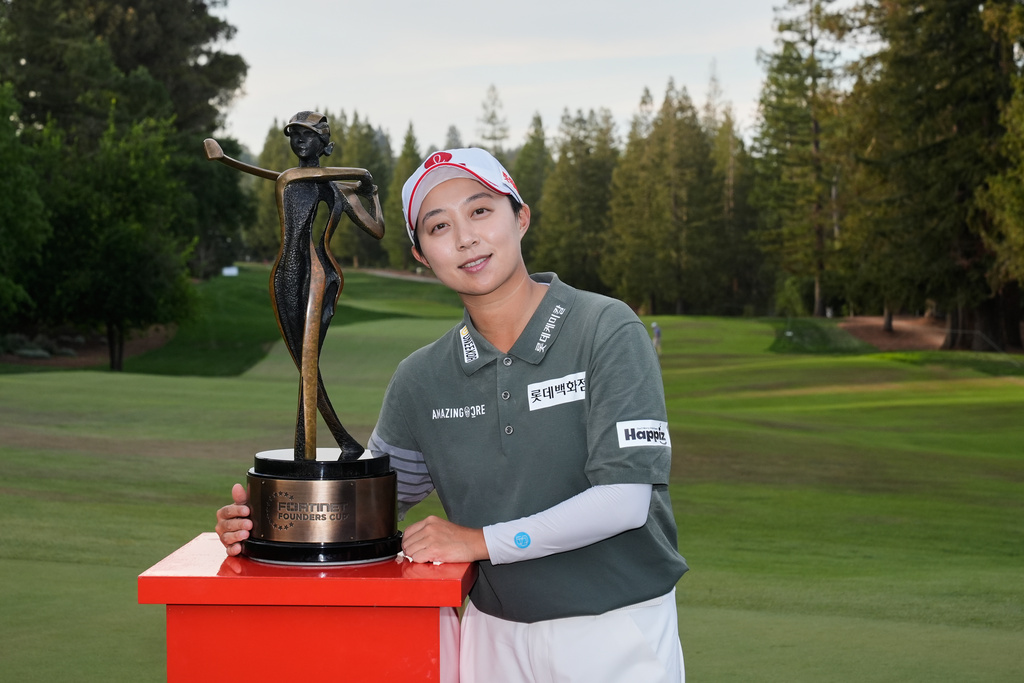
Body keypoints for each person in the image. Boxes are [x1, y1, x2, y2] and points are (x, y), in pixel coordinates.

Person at [216, 148, 688, 682]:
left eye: (481, 211)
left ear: (521, 217)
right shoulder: (422, 378)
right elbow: (368, 510)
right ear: (422, 255)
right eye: (439, 226)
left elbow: (624, 502)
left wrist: (480, 540)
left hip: (615, 631)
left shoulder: (605, 329)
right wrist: (270, 525)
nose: (465, 238)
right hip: (491, 635)